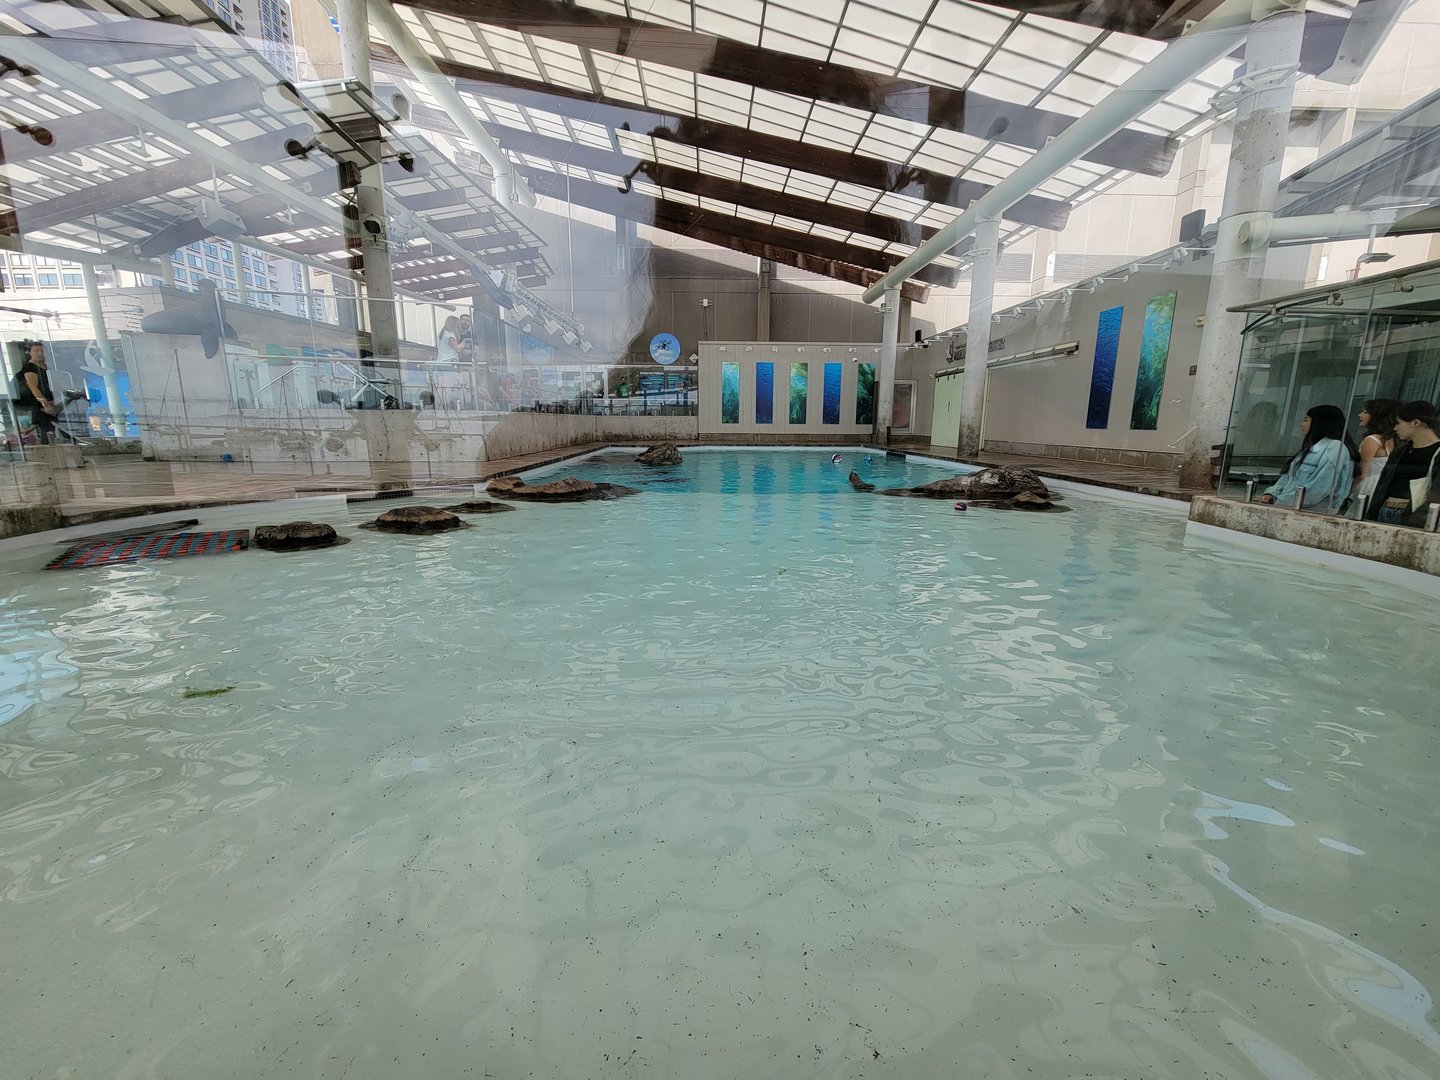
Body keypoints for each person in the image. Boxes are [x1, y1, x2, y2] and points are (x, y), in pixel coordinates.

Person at [1258, 404, 1358, 513]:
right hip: (1289, 507)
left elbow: (1319, 489)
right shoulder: (1309, 449)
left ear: (1320, 423)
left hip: (1313, 512)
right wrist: (1271, 493)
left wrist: (1279, 500)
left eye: (1306, 420)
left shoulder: (1335, 448)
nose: (1302, 424)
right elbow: (1288, 479)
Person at [1364, 400, 1440, 527]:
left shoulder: (1437, 454)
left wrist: (1418, 520)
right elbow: (1382, 487)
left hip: (1415, 517)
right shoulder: (1399, 452)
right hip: (1384, 511)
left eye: (1398, 423)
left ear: (1416, 423)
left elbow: (1436, 495)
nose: (1395, 428)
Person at [1350, 398, 1400, 517]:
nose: (1360, 414)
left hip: (1368, 485)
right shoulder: (1392, 439)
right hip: (1382, 485)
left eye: (1366, 412)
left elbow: (1362, 473)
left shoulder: (1371, 440)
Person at [12, 340, 58, 444]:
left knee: (51, 425)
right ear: (29, 353)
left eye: (42, 351)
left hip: (47, 400)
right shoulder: (30, 367)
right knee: (47, 427)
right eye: (36, 351)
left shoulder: (46, 367)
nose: (40, 353)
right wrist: (45, 403)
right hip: (35, 402)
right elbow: (33, 387)